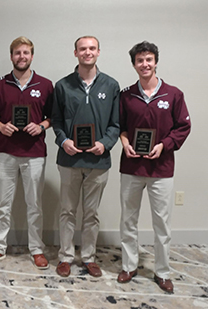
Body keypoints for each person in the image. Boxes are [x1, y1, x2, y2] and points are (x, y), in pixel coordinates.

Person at [117, 41, 191, 293]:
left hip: (161, 168)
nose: (145, 64)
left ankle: (162, 272)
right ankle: (129, 266)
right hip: (131, 168)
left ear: (156, 62)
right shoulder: (126, 95)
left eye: (149, 59)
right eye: (140, 60)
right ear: (134, 65)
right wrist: (125, 142)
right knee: (128, 220)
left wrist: (164, 145)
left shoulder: (173, 94)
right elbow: (120, 127)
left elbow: (183, 127)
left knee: (162, 224)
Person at [52, 36, 120, 278]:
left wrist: (105, 144)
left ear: (99, 52)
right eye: (83, 49)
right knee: (67, 211)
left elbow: (116, 124)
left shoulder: (111, 86)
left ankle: (89, 257)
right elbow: (56, 121)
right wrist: (63, 141)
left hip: (98, 162)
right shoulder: (62, 86)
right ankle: (66, 257)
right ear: (75, 53)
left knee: (91, 213)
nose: (87, 52)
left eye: (92, 48)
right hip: (69, 160)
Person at [0, 36, 53, 269]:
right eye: (17, 53)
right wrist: (0, 126)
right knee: (2, 204)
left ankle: (36, 249)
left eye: (26, 53)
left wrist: (41, 125)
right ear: (11, 56)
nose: (21, 57)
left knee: (34, 204)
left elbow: (54, 116)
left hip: (34, 152)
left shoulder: (45, 84)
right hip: (6, 151)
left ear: (32, 56)